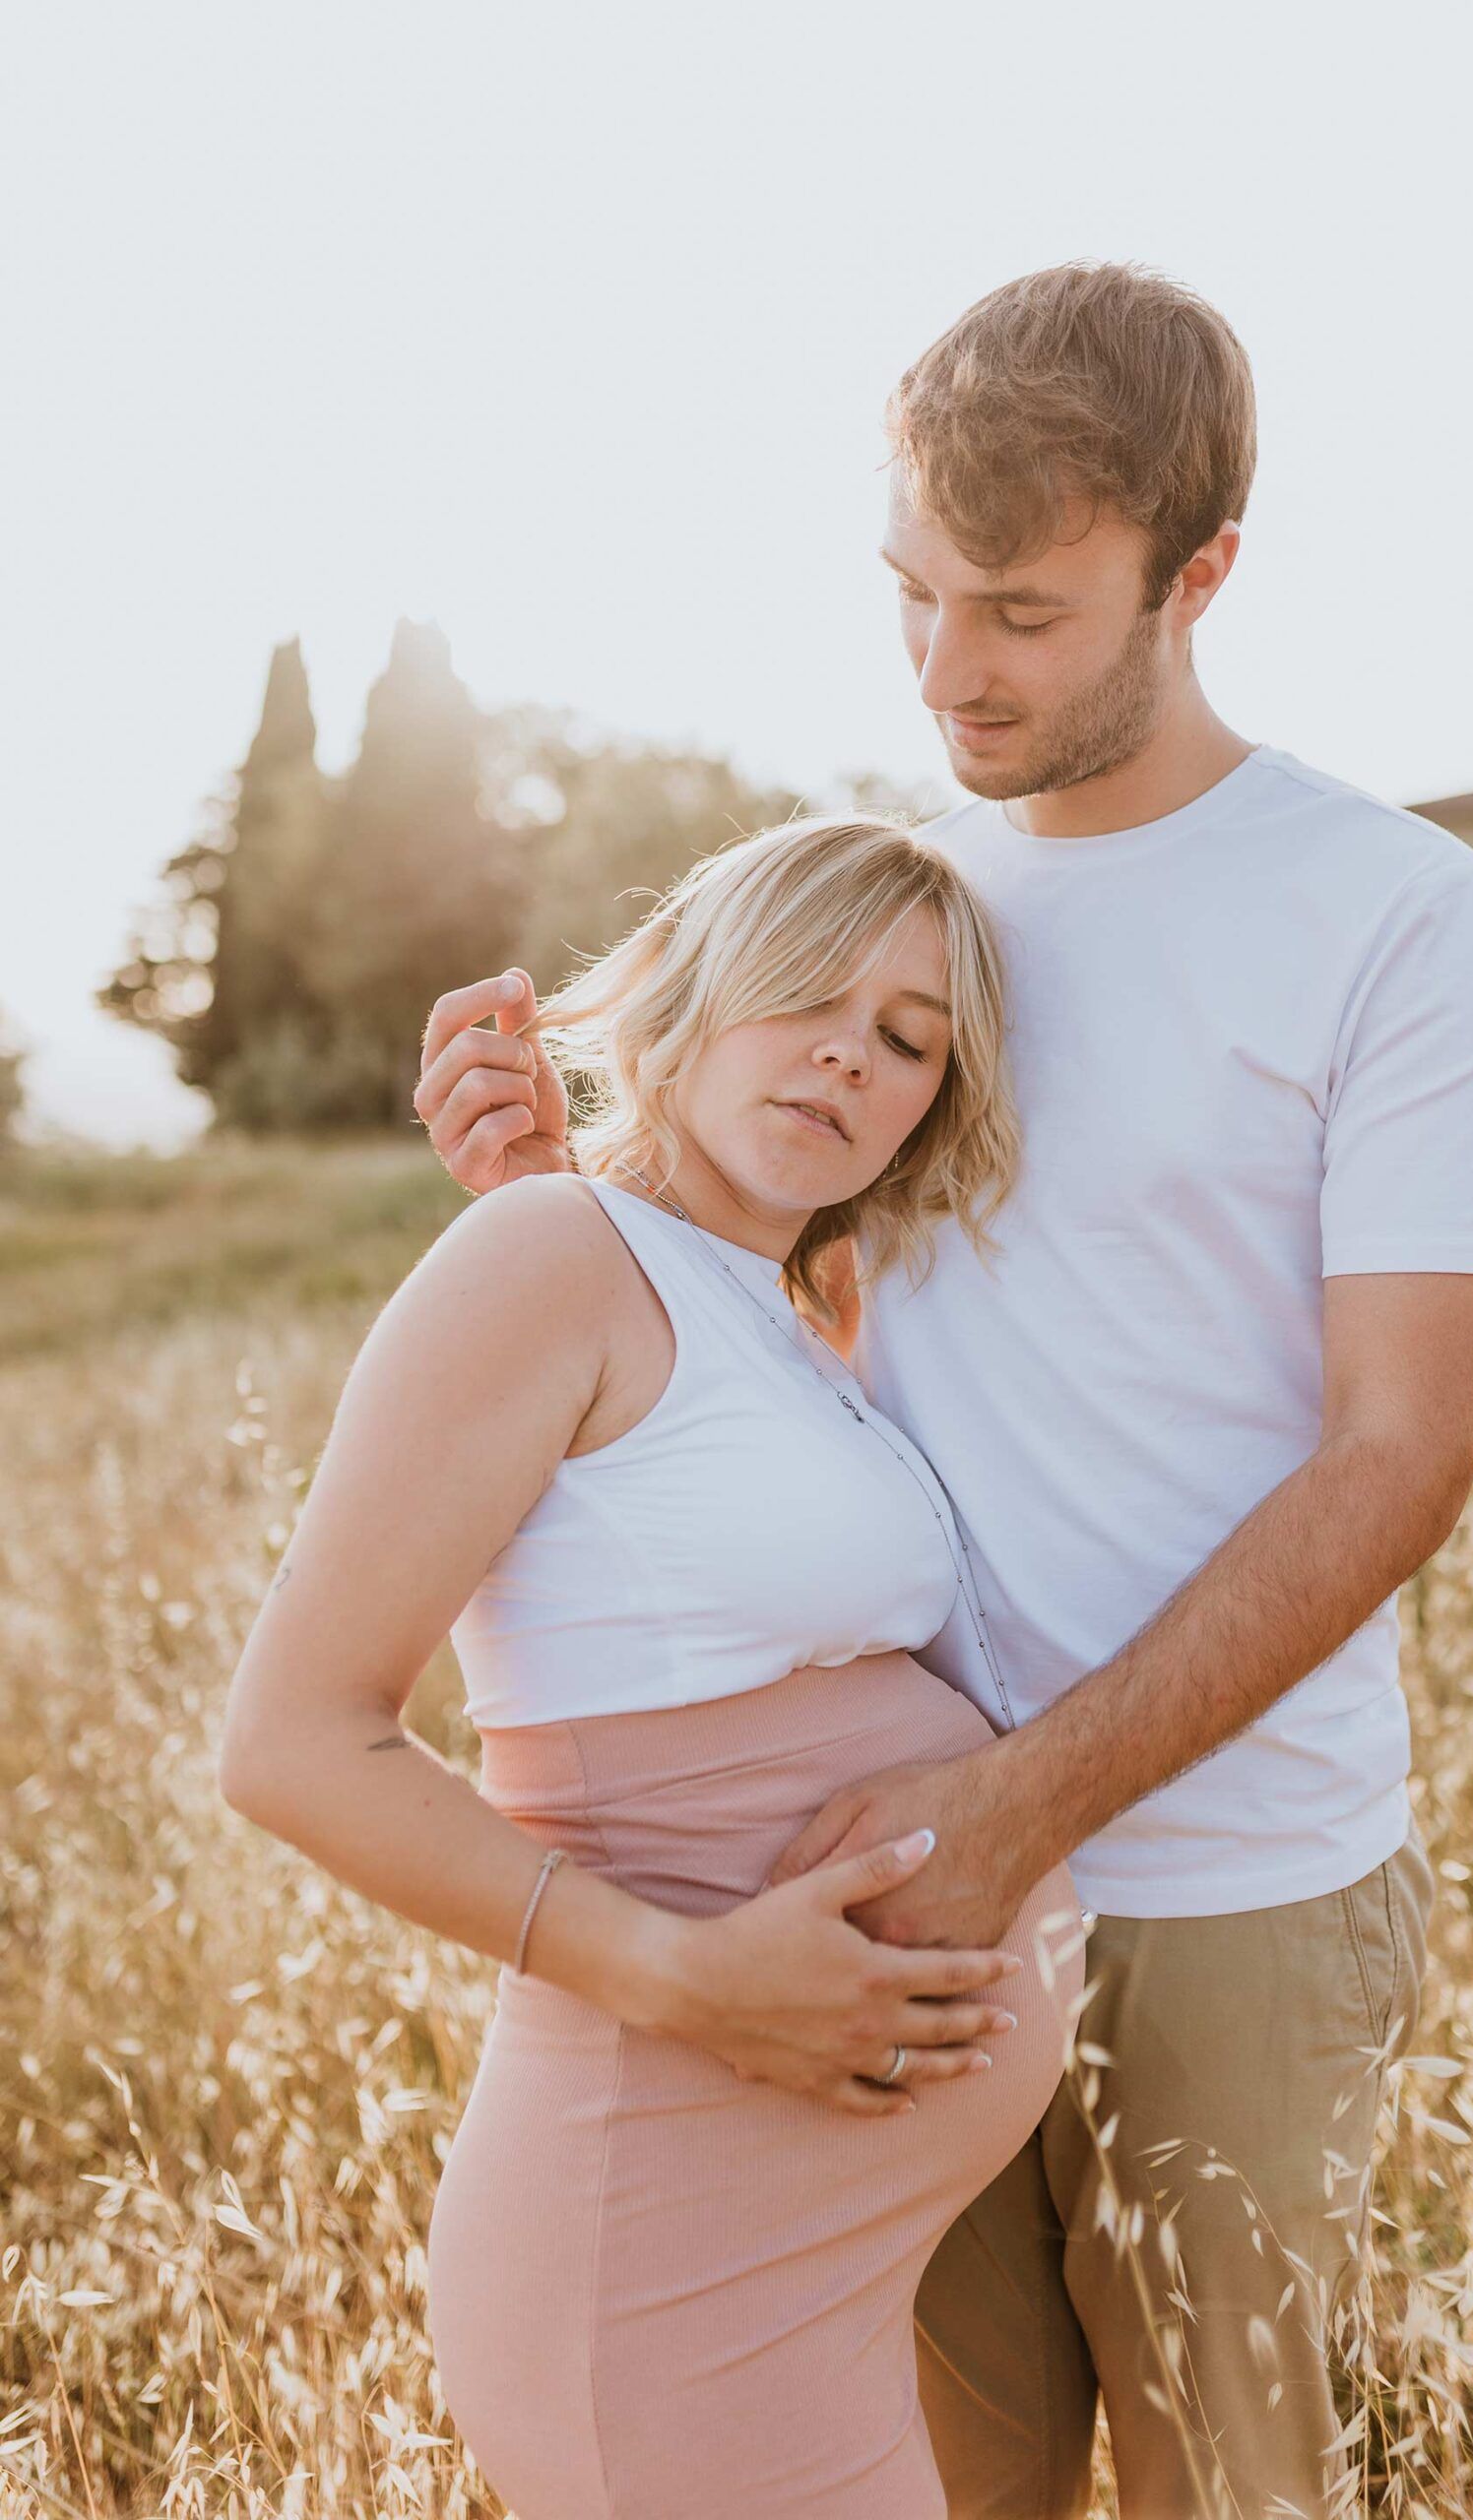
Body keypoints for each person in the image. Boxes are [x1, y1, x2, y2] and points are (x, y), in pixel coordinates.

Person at [415, 262, 1473, 2519]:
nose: (947, 670)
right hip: (862, 1898)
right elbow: (791, 1329)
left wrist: (1018, 1810)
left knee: (1231, 2480)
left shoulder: (1387, 911)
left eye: (1016, 610)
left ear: (1196, 571)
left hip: (1223, 1876)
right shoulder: (903, 916)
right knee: (944, 2480)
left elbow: (1398, 1451)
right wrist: (576, 1195)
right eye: (912, 595)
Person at [218, 813, 1087, 2520]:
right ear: (681, 998)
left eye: (910, 1039)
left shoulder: (780, 1312)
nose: (851, 1047)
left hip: (810, 2249)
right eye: (804, 993)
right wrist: (690, 1980)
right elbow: (290, 1745)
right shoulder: (547, 1261)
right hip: (671, 2255)